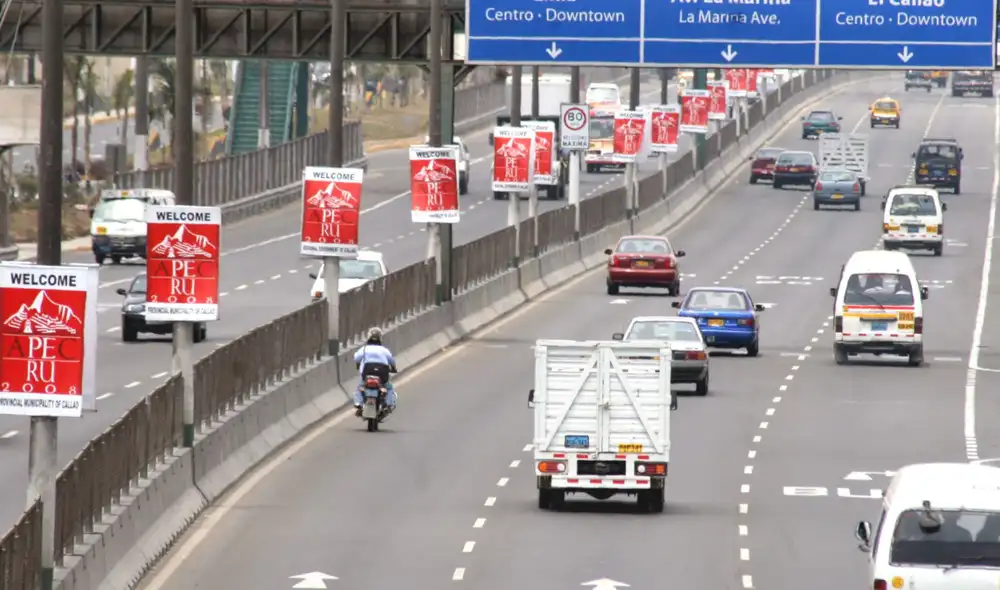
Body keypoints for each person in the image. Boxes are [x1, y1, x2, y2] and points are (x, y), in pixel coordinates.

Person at [353, 327, 398, 415]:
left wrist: (358, 365)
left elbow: (356, 358)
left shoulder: (364, 349)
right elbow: (391, 361)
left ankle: (358, 403)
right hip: (382, 372)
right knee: (389, 387)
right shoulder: (384, 350)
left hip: (367, 371)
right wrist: (394, 369)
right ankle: (388, 405)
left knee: (360, 387)